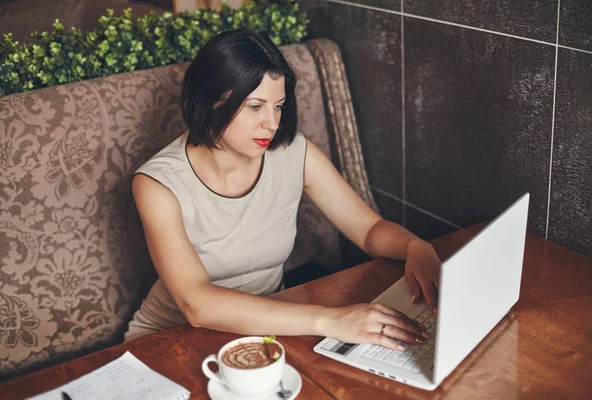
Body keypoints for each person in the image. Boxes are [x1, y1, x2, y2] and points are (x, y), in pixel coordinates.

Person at [124, 29, 442, 349]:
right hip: (169, 338)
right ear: (211, 100)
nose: (272, 123)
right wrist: (332, 320)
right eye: (255, 106)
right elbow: (198, 304)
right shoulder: (157, 184)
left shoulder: (292, 152)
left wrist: (416, 247)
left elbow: (369, 229)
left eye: (278, 106)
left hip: (264, 328)